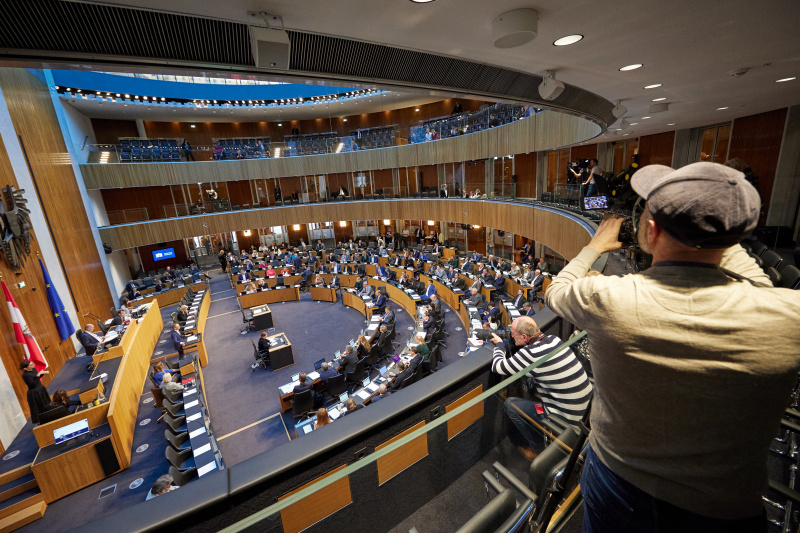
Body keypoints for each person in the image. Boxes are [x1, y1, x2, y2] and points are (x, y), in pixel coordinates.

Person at [545, 162, 798, 532]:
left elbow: (556, 290)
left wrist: (593, 246)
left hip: (619, 487)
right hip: (727, 510)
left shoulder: (607, 297)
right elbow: (751, 276)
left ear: (650, 229)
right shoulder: (785, 316)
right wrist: (710, 222)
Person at [490, 316, 592, 461]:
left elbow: (498, 367)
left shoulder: (530, 353)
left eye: (513, 334)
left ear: (525, 336)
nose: (511, 337)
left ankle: (538, 449)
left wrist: (500, 345)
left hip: (568, 420)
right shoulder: (554, 339)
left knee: (510, 405)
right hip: (587, 413)